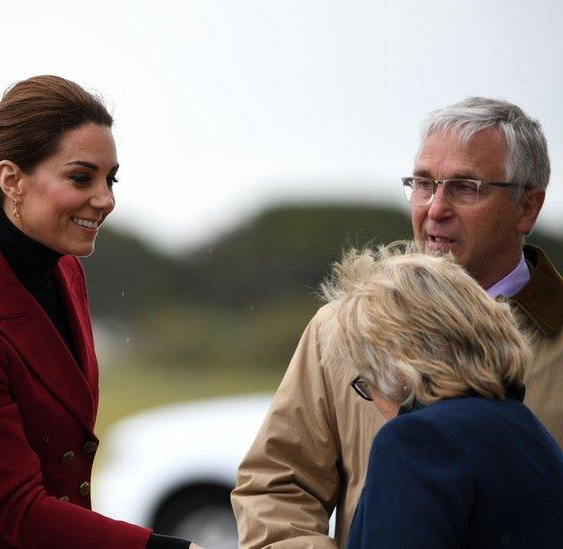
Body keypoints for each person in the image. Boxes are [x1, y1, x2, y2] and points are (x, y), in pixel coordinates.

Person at [233, 96, 562, 547]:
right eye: (424, 184)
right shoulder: (339, 329)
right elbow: (276, 488)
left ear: (528, 207)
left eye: (465, 187)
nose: (435, 208)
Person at [0, 75, 200, 549]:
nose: (106, 199)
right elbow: (16, 507)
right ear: (11, 180)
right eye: (82, 177)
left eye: (110, 178)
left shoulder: (65, 272)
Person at [320, 245, 563, 547]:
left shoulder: (414, 441)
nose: (374, 397)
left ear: (396, 367)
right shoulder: (531, 434)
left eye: (366, 381)